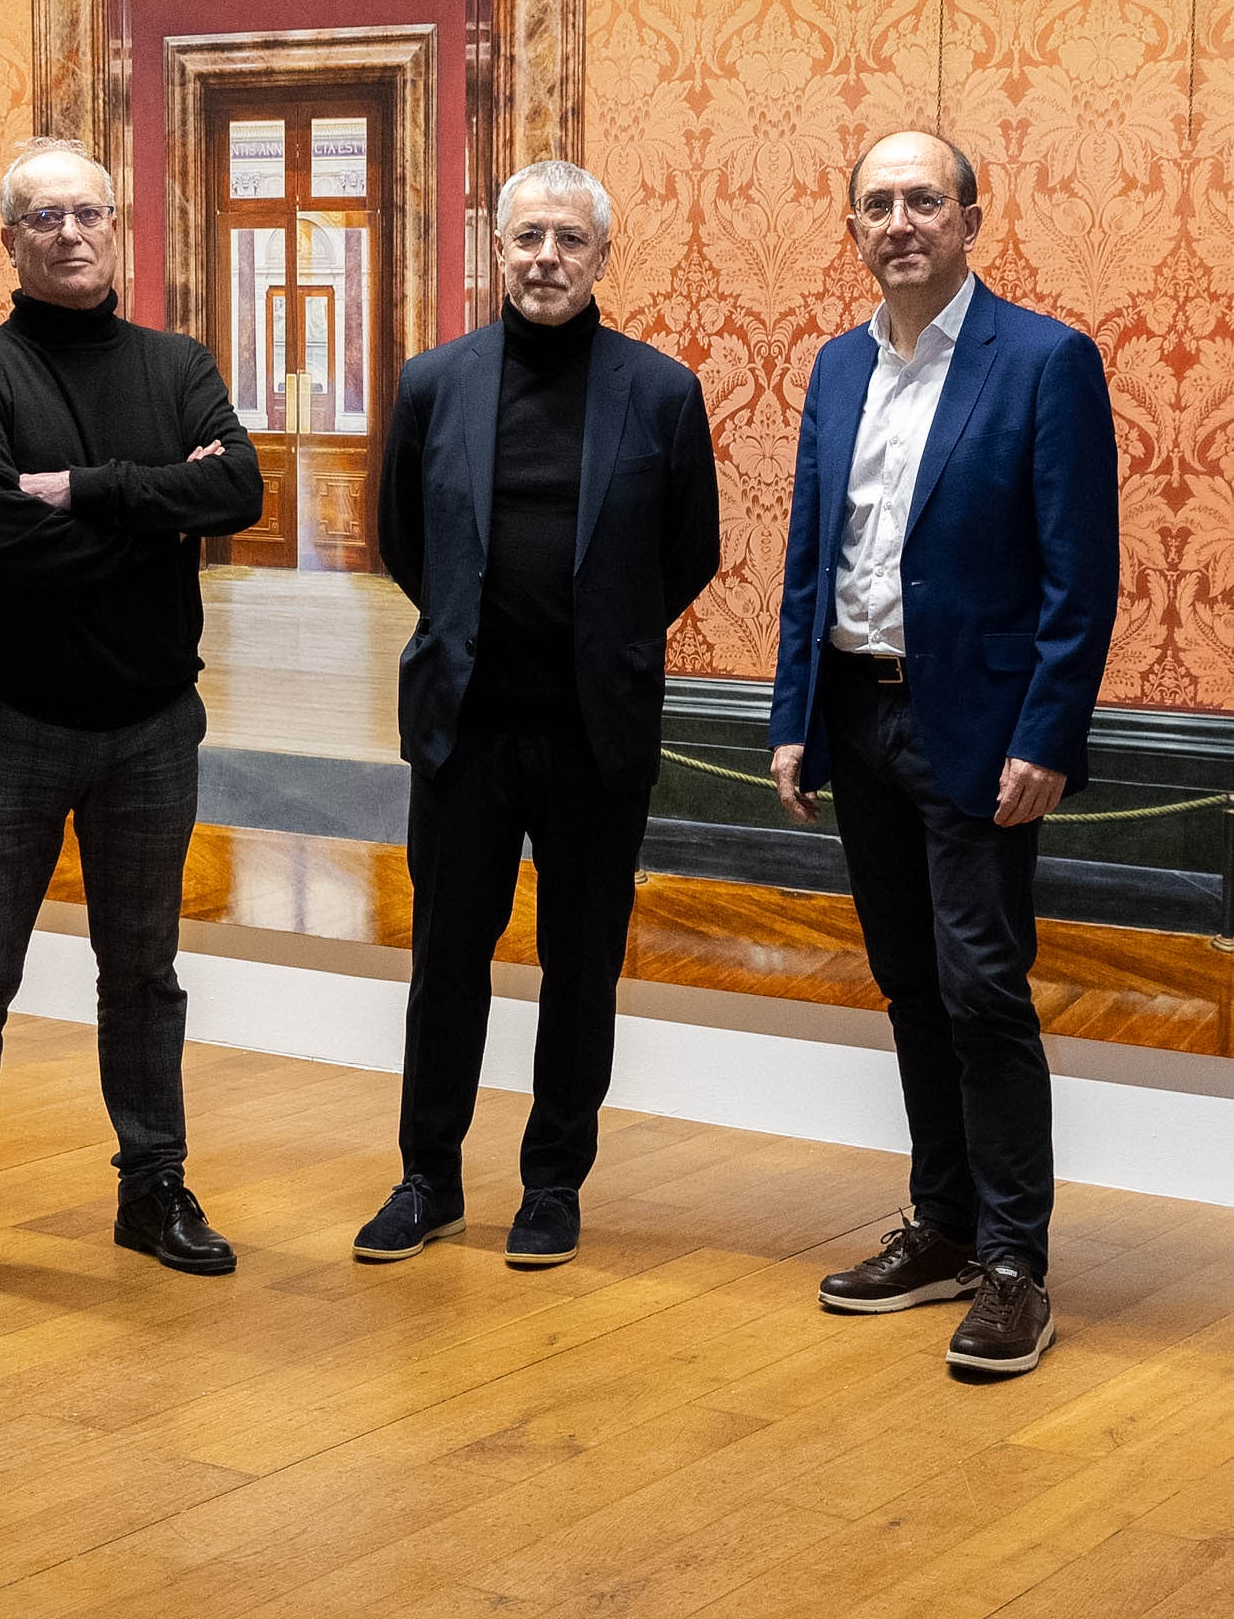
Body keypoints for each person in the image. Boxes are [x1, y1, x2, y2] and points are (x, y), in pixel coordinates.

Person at [769, 130, 1118, 1376]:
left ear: (972, 218)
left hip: (978, 730)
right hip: (858, 718)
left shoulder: (1045, 360)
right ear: (853, 229)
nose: (900, 220)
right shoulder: (836, 365)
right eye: (878, 203)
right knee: (909, 982)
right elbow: (812, 554)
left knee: (982, 991)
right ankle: (947, 1224)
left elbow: (1081, 577)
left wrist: (1049, 734)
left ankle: (1016, 1263)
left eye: (925, 199)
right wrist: (793, 717)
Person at [0, 137, 263, 1306]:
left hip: (150, 726)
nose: (69, 231)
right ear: (10, 239)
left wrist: (87, 489)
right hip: (9, 721)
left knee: (143, 973)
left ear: (117, 227)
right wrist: (157, 515)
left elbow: (240, 490)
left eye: (88, 212)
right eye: (44, 216)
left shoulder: (178, 363)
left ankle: (152, 1187)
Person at [354, 160, 719, 1268]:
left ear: (602, 256)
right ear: (498, 249)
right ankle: (428, 1178)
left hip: (594, 734)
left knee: (580, 964)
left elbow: (689, 551)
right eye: (527, 237)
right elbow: (403, 536)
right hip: (463, 728)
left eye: (569, 239)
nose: (546, 257)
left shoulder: (661, 391)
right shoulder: (435, 382)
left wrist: (605, 636)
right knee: (445, 960)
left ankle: (553, 1183)